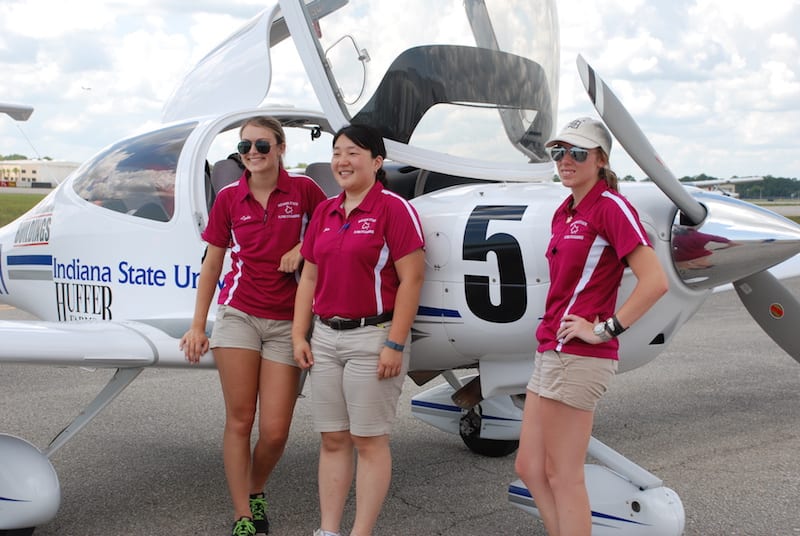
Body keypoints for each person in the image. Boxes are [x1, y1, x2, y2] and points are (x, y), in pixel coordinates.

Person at [514, 117, 669, 536]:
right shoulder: (566, 211)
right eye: (559, 152)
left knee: (564, 475)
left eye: (578, 152)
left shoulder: (610, 207)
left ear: (600, 160)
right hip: (551, 348)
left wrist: (604, 329)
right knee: (529, 467)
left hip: (581, 356)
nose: (566, 160)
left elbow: (655, 281)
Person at [180, 116, 327, 536]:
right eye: (245, 147)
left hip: (288, 322)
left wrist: (302, 247)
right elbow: (212, 264)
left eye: (262, 145)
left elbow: (332, 227)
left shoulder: (305, 190)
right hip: (239, 315)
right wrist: (197, 326)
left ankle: (255, 486)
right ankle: (243, 514)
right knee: (240, 420)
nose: (253, 154)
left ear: (281, 147)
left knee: (277, 430)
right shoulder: (228, 197)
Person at [292, 124, 425, 536]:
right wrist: (301, 335)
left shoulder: (393, 209)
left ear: (377, 162)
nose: (342, 161)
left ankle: (360, 532)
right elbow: (309, 278)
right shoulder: (327, 211)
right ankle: (328, 531)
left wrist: (394, 343)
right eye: (336, 153)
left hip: (373, 338)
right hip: (326, 339)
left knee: (368, 441)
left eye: (353, 153)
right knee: (332, 439)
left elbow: (412, 280)